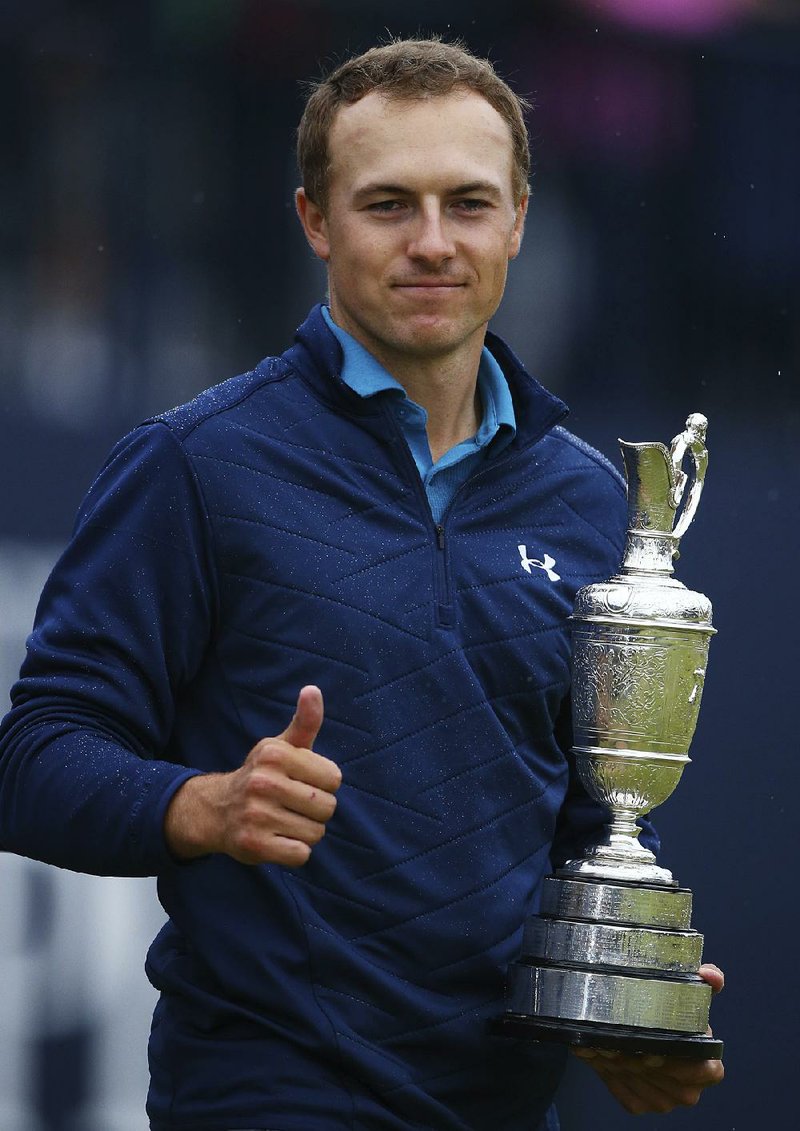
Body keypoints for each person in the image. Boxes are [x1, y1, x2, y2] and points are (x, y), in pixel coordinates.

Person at [0, 37, 723, 1131]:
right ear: (314, 222)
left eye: (467, 204)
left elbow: (588, 819)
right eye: (388, 205)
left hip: (500, 1105)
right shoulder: (194, 464)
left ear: (519, 220)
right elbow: (34, 755)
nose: (432, 243)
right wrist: (198, 804)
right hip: (265, 1091)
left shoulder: (588, 507)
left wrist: (616, 1002)